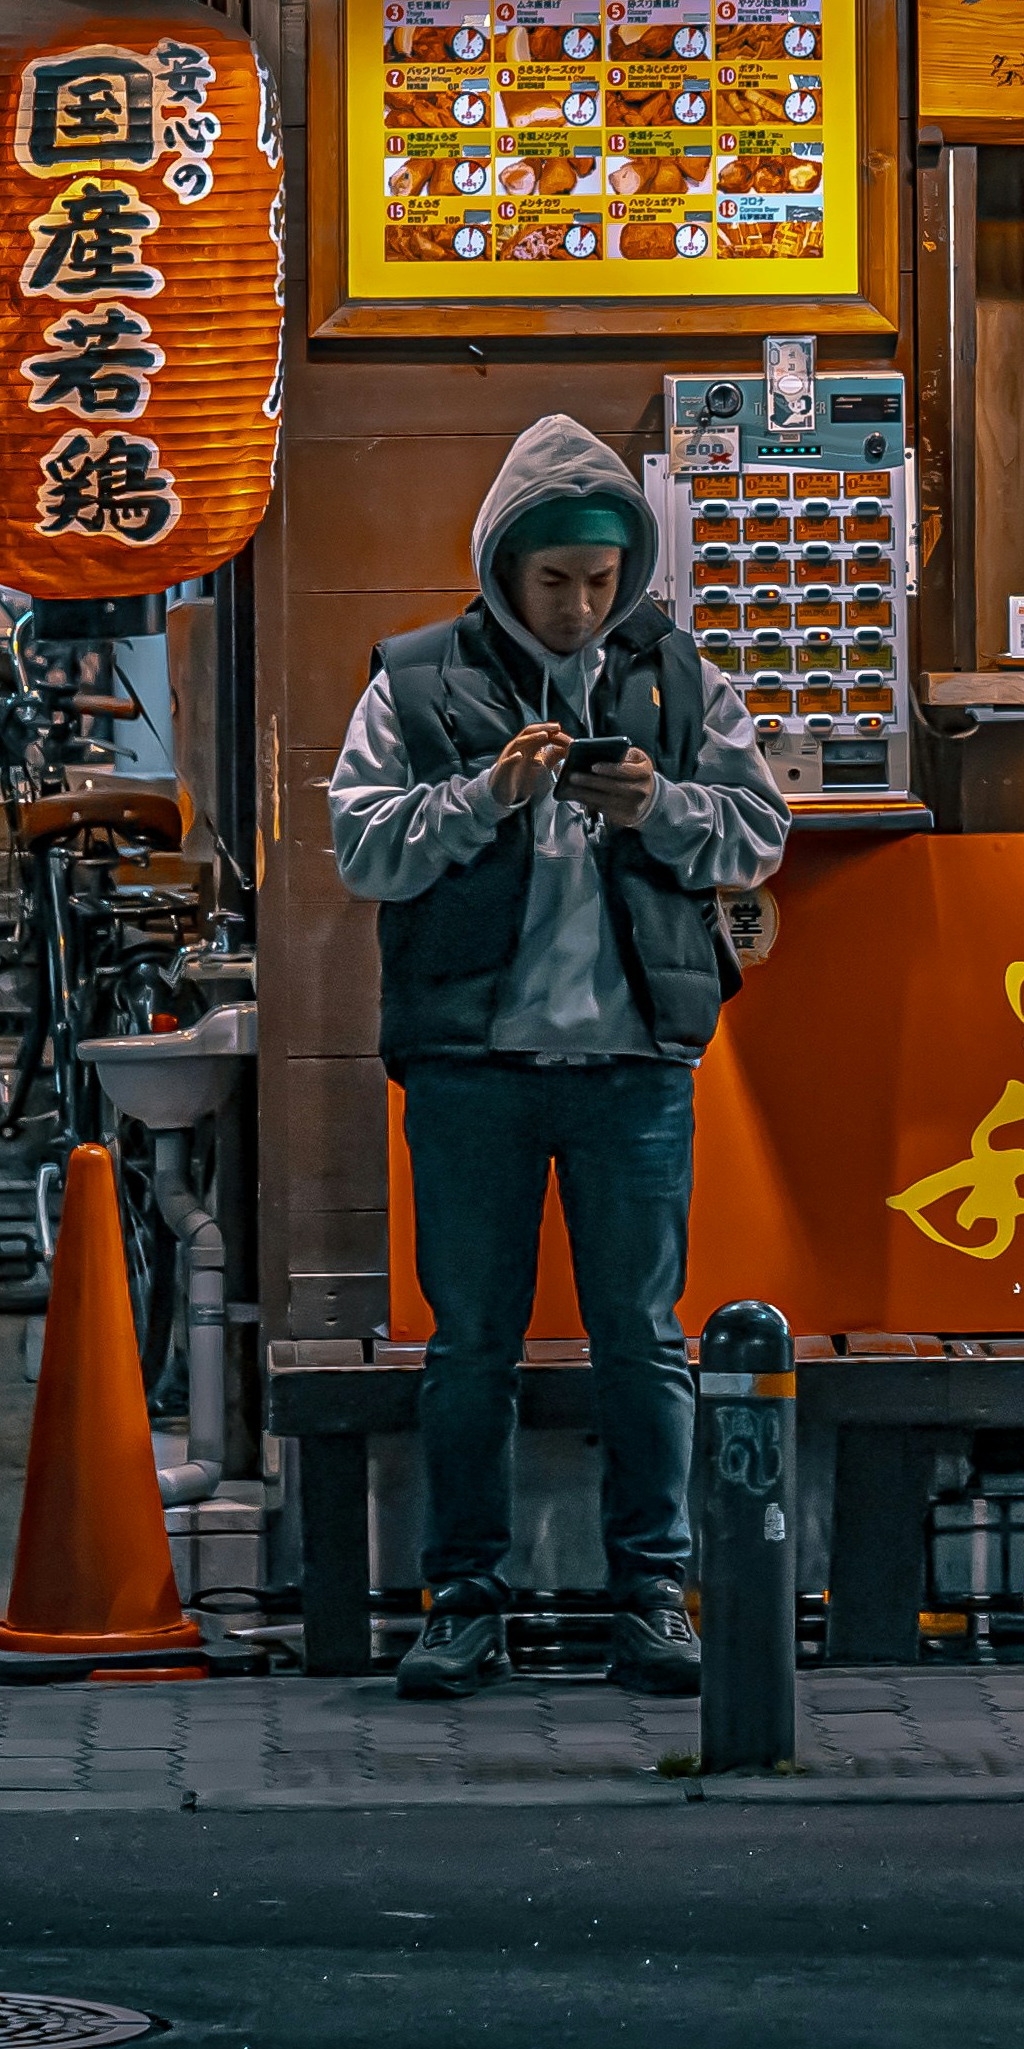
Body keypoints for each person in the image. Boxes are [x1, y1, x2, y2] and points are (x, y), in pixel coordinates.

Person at [322, 413, 790, 1701]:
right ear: (500, 570)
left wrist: (666, 807)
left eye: (600, 580)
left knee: (644, 1339)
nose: (580, 607)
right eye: (553, 581)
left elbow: (758, 832)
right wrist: (484, 799)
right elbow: (361, 851)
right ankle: (462, 1602)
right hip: (470, 1069)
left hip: (635, 1065)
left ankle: (652, 1595)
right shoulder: (414, 683)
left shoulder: (677, 677)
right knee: (467, 1343)